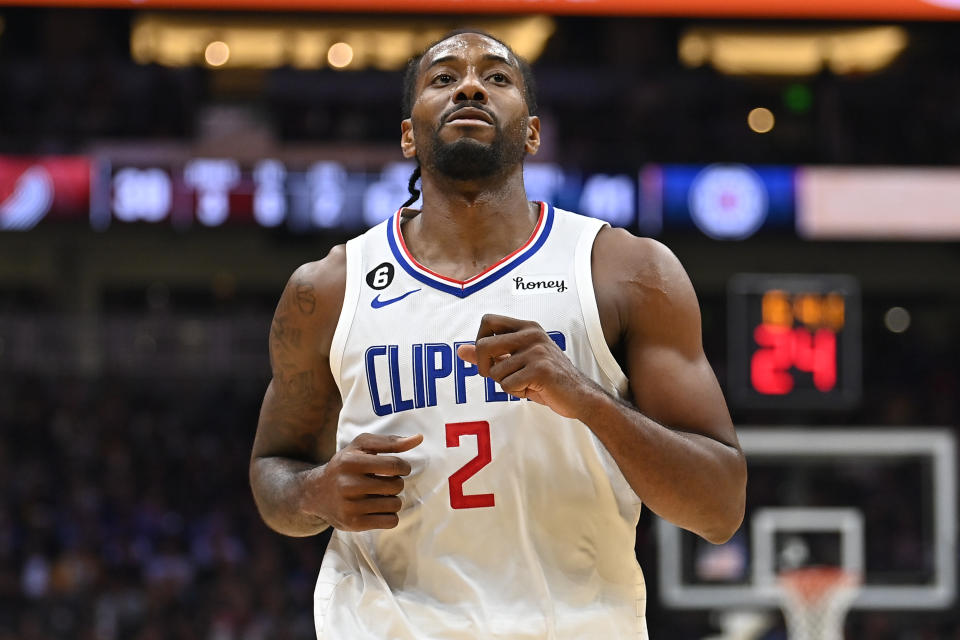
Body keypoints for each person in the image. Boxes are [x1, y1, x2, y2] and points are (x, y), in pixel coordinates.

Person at [250, 29, 746, 639]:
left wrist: (588, 398)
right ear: (409, 133)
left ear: (532, 131)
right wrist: (315, 493)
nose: (469, 86)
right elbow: (272, 470)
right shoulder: (327, 287)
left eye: (497, 77)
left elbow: (719, 508)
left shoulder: (627, 271)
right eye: (443, 78)